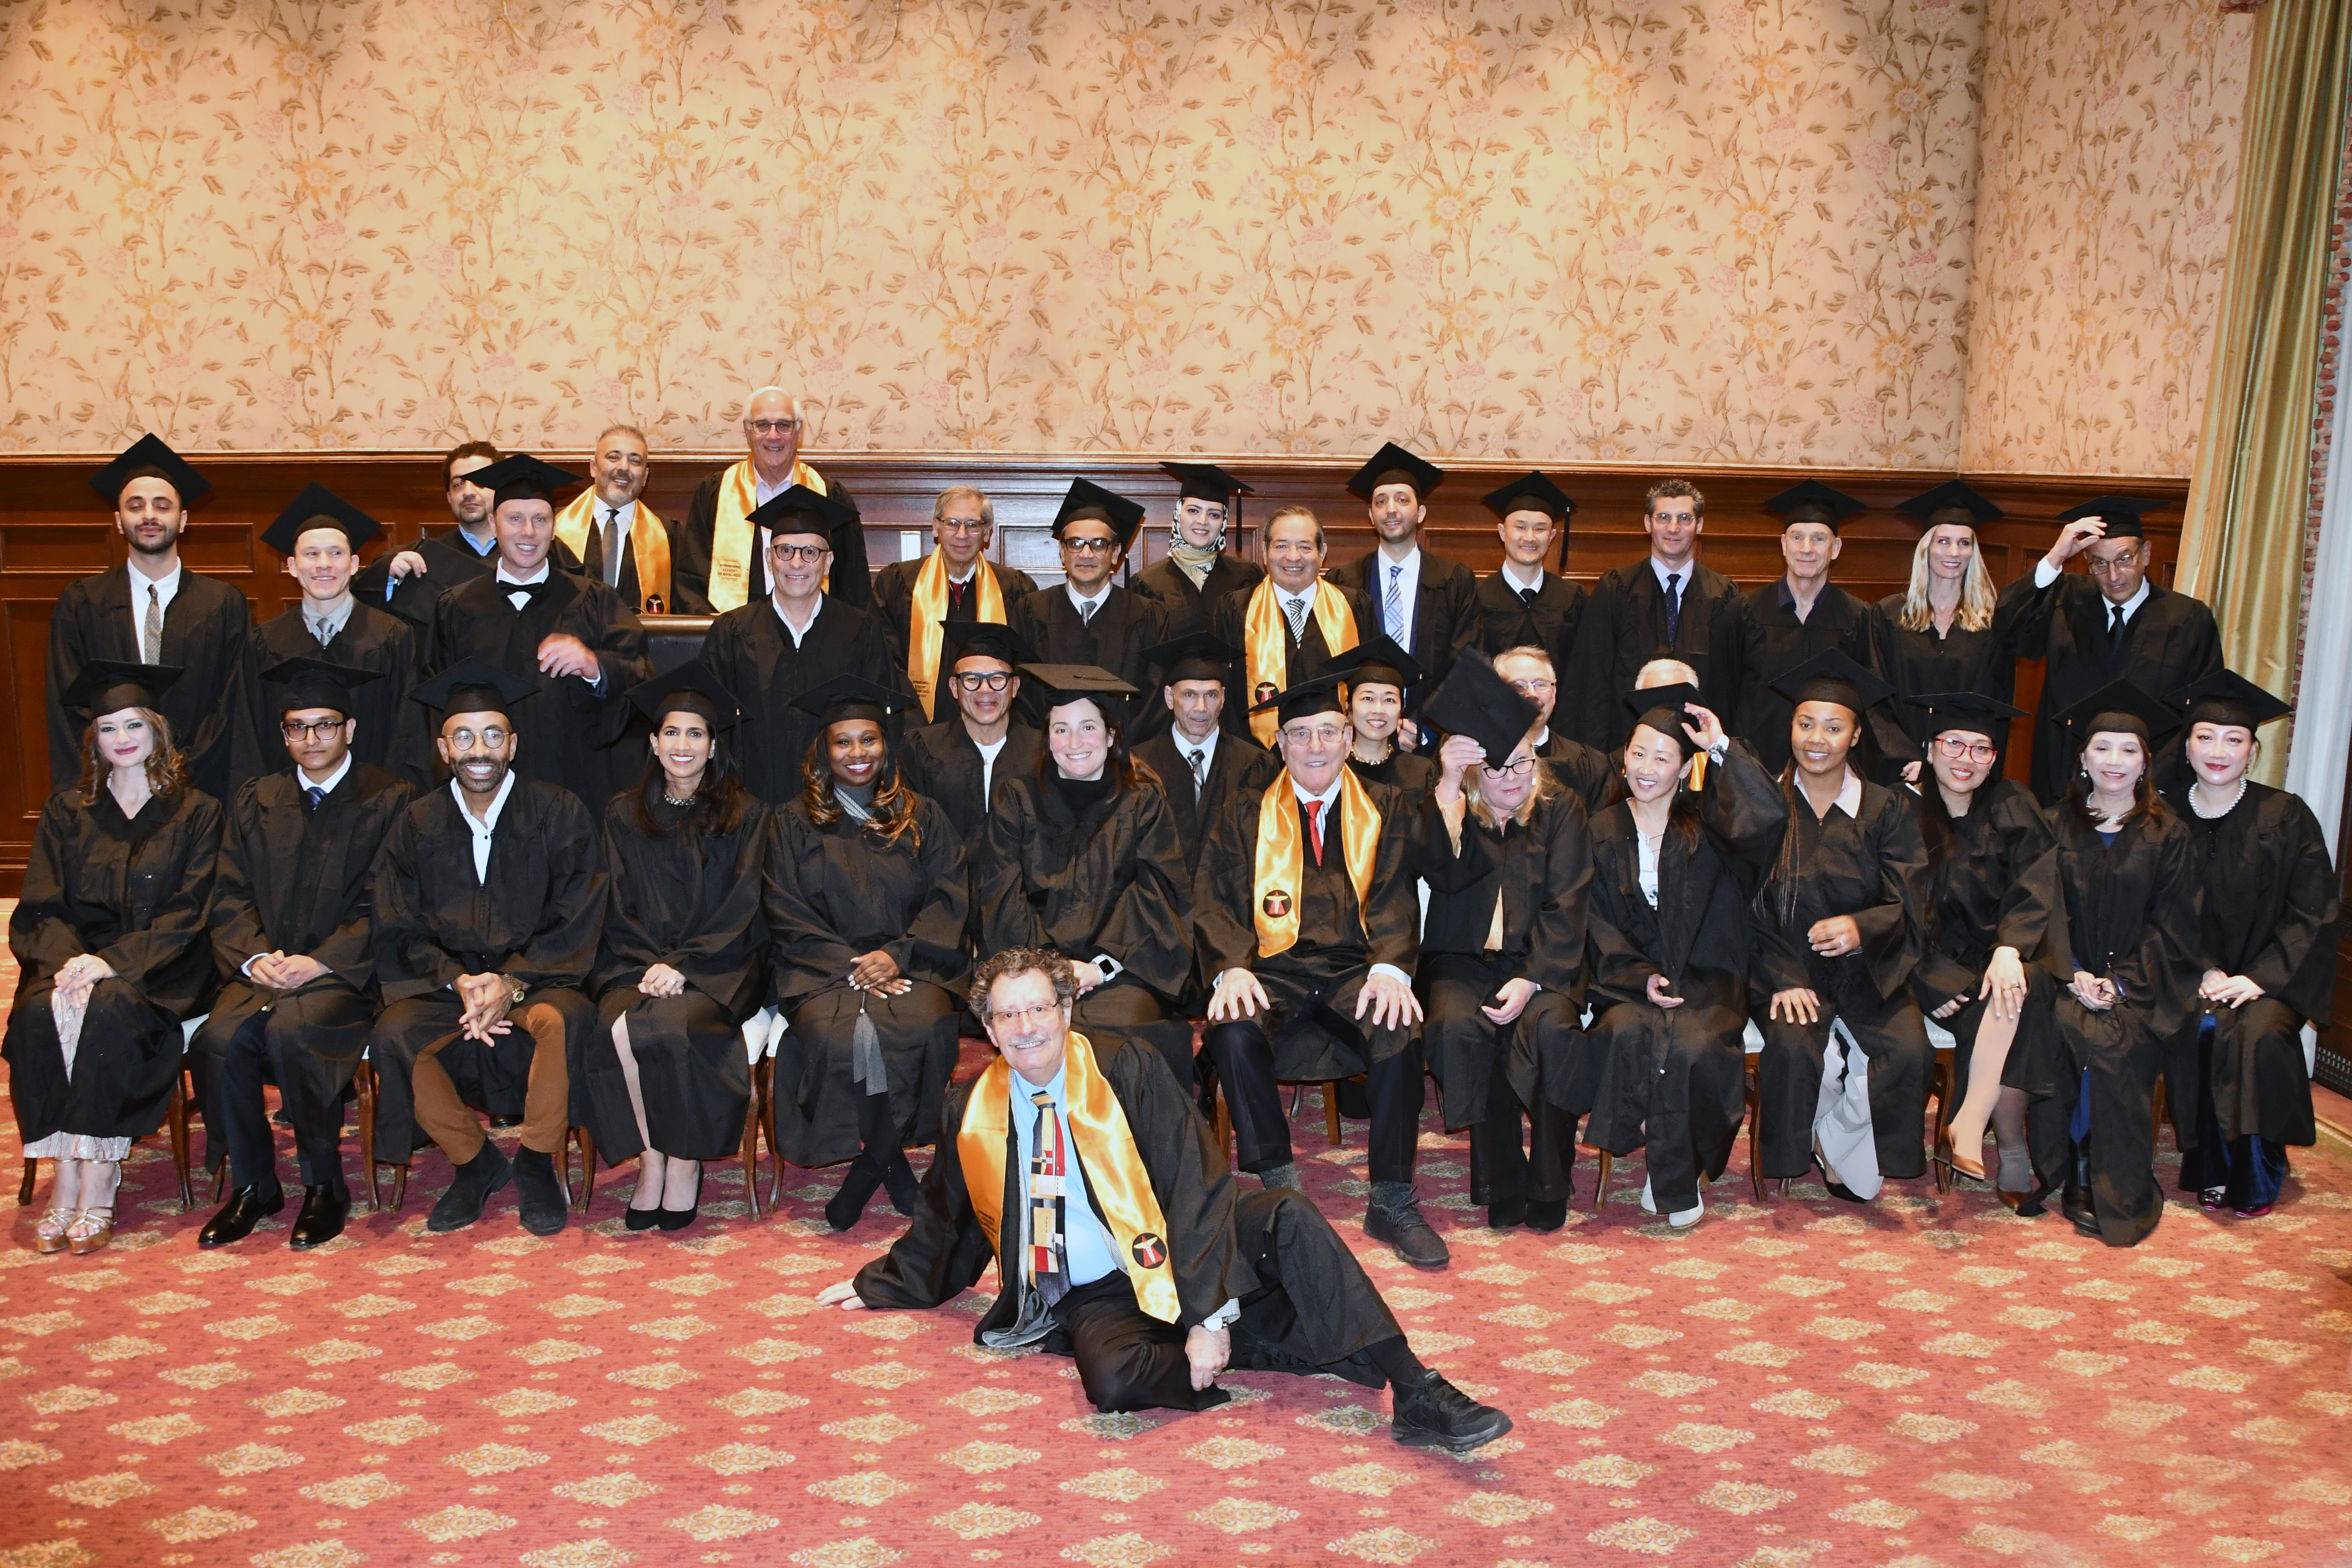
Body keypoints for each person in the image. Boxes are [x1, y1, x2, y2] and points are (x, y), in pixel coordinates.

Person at [816, 948, 1513, 1451]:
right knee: (1113, 1384)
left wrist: (1206, 1313)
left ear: (1065, 1011)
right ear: (990, 1031)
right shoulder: (970, 1110)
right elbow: (946, 1216)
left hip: (1176, 1237)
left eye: (1038, 1008)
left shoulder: (1124, 1066)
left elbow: (1193, 1178)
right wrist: (882, 1282)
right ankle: (1306, 1338)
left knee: (1290, 1216)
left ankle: (1416, 1390)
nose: (1026, 1027)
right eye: (1008, 1015)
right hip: (1094, 1290)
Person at [1194, 672, 1436, 1266]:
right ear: (1280, 745)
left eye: (1328, 732)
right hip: (1270, 969)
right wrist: (1231, 968)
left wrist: (1390, 970)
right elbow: (1213, 899)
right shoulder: (1244, 812)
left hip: (1355, 970)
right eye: (1299, 734)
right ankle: (1279, 1185)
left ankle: (1391, 1198)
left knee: (1398, 1026)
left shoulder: (1385, 807)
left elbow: (1396, 896)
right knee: (1233, 1030)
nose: (1315, 747)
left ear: (1349, 738)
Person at [367, 660, 608, 1238]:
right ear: (444, 748)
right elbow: (397, 921)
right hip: (449, 984)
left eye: (493, 736)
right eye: (465, 737)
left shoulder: (558, 812)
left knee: (565, 1021)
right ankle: (474, 1162)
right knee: (394, 1033)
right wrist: (459, 981)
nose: (480, 750)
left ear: (513, 745)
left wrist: (512, 981)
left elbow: (578, 912)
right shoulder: (417, 823)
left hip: (537, 979)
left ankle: (536, 1162)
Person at [194, 659, 415, 1250]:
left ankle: (324, 1186)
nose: (311, 738)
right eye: (298, 727)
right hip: (266, 970)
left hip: (346, 975)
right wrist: (253, 958)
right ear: (284, 734)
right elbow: (230, 892)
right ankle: (255, 1186)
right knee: (219, 1040)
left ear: (350, 729)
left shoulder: (389, 799)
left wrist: (322, 961)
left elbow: (390, 901)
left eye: (324, 725)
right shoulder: (257, 799)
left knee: (294, 1033)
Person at [6, 663, 223, 1255]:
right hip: (72, 962)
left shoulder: (196, 812)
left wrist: (113, 963)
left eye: (134, 725)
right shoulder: (67, 811)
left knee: (108, 1011)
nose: (121, 738)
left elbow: (190, 912)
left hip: (161, 966)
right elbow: (42, 905)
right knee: (36, 1013)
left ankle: (98, 1178)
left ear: (158, 730)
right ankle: (65, 1174)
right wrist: (70, 963)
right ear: (94, 740)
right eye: (108, 728)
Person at [763, 676, 970, 1231]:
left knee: (924, 1024)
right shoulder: (791, 822)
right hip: (822, 970)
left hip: (914, 964)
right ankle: (893, 1167)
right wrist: (852, 966)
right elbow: (783, 906)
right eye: (843, 742)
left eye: (869, 740)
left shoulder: (922, 815)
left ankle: (868, 1171)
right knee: (840, 1037)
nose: (858, 753)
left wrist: (897, 955)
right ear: (824, 751)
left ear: (886, 746)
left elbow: (949, 896)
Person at [1580, 685, 1786, 1229]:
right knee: (1627, 1033)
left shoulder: (1711, 827)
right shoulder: (1600, 830)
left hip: (1706, 978)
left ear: (1685, 768)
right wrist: (1639, 976)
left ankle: (1672, 1168)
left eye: (1663, 758)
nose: (1647, 768)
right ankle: (1674, 1163)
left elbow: (1769, 817)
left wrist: (1721, 747)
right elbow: (1593, 921)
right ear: (1623, 757)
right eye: (1639, 753)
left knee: (1693, 1045)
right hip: (1629, 979)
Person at [582, 664, 772, 1232]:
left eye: (695, 734)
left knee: (670, 1028)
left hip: (720, 967)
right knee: (615, 1029)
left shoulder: (747, 815)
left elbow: (745, 905)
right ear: (653, 742)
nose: (682, 745)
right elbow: (615, 901)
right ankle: (652, 1158)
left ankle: (686, 1160)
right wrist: (652, 965)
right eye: (671, 733)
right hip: (639, 962)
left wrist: (685, 966)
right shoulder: (623, 813)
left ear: (713, 746)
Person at [1411, 655, 1592, 1231]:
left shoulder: (1560, 808)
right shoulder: (1456, 807)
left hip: (1543, 964)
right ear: (1474, 773)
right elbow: (1441, 874)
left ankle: (1550, 1181)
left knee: (1552, 1031)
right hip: (1462, 962)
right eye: (1496, 769)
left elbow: (1568, 901)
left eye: (1522, 765)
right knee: (1462, 1027)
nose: (1512, 779)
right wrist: (1446, 784)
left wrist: (1531, 978)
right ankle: (1502, 1179)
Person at [1748, 651, 1934, 1202]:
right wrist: (1781, 979)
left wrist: (1861, 928)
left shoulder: (1887, 809)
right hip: (1789, 971)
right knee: (1794, 1052)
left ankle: (1833, 1139)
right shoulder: (1764, 806)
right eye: (1805, 724)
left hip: (1870, 970)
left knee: (1910, 1053)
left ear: (1855, 736)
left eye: (1833, 727)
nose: (1816, 739)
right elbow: (1742, 907)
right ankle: (1805, 1148)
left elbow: (1910, 897)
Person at [2158, 670, 2338, 1218]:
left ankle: (2256, 1171)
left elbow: (2314, 910)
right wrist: (2203, 969)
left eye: (2234, 740)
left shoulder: (2286, 816)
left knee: (2257, 1035)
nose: (2219, 751)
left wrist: (2260, 978)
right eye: (2205, 737)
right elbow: (2155, 910)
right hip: (2192, 975)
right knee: (2204, 1026)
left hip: (2270, 980)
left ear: (2253, 752)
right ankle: (2210, 1166)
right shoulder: (2163, 818)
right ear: (2187, 746)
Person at [2029, 681, 2203, 1245]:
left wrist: (2121, 984)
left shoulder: (2169, 834)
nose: (2114, 760)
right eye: (2102, 747)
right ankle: (2074, 1163)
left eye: (2129, 750)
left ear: (2146, 763)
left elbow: (2175, 925)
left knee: (2113, 1040)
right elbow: (2040, 907)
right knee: (2065, 1027)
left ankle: (2104, 1172)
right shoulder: (2053, 825)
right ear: (2083, 757)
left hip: (2144, 984)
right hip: (2066, 976)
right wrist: (2073, 971)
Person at [980, 665, 1197, 1090]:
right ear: (1048, 738)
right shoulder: (1017, 800)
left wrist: (1100, 967)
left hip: (1121, 972)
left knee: (1118, 1032)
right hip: (1032, 973)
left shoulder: (1143, 802)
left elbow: (1157, 893)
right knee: (1034, 1028)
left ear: (1111, 735)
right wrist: (1049, 970)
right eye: (1061, 730)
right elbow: (1002, 895)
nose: (1074, 743)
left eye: (1088, 728)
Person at [1902, 692, 2063, 1204]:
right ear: (1930, 749)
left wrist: (2010, 949)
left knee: (2022, 988)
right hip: (1927, 969)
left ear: (1994, 759)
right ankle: (2009, 1147)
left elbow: (2036, 882)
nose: (1965, 759)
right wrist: (1930, 979)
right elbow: (1886, 908)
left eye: (1981, 749)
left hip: (2000, 961)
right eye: (1953, 744)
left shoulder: (2012, 804)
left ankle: (1977, 1124)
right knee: (2017, 1005)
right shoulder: (1899, 811)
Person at [428, 454, 653, 807]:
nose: (528, 532)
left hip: (575, 784)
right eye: (515, 519)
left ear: (553, 527)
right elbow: (433, 703)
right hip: (483, 788)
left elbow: (642, 678)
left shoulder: (594, 600)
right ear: (494, 523)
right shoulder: (457, 607)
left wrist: (596, 667)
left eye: (540, 520)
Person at [48, 434, 250, 801]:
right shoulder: (83, 602)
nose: (149, 516)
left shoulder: (222, 604)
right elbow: (68, 703)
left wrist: (182, 771)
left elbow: (231, 703)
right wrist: (108, 774)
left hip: (200, 791)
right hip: (110, 790)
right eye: (135, 506)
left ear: (183, 519)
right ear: (119, 520)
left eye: (162, 505)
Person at [2008, 496, 2222, 805]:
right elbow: (2013, 636)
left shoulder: (2188, 618)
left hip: (2151, 791)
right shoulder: (2064, 602)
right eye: (2100, 563)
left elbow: (2201, 710)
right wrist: (2055, 558)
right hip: (2066, 783)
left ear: (2146, 554)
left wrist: (2150, 781)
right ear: (2087, 562)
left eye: (2124, 559)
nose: (2114, 576)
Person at [697, 485, 895, 805]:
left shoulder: (860, 631)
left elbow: (881, 725)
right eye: (785, 550)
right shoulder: (732, 632)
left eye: (811, 552)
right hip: (749, 808)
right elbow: (710, 723)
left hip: (836, 810)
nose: (797, 563)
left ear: (828, 562)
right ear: (769, 559)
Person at [228, 483, 426, 792]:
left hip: (374, 801)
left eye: (336, 553)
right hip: (286, 804)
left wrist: (392, 801)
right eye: (311, 554)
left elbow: (408, 732)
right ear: (292, 566)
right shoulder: (264, 642)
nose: (324, 564)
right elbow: (247, 736)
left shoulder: (392, 637)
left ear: (354, 564)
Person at [1862, 480, 2033, 783]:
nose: (1954, 552)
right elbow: (1875, 699)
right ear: (1926, 548)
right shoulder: (1888, 616)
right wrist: (1907, 757)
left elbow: (1994, 706)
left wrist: (1956, 761)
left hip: (1964, 772)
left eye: (1964, 543)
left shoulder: (1990, 625)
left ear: (1974, 552)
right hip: (1901, 771)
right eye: (1943, 541)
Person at [1561, 479, 1743, 752]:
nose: (1673, 528)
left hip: (1698, 747)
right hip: (1626, 744)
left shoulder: (1724, 594)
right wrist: (1598, 757)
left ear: (1699, 525)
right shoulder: (1616, 588)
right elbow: (1593, 678)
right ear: (1648, 523)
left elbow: (1730, 686)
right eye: (1663, 518)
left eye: (1684, 518)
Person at [1325, 443, 1482, 741]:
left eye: (1402, 499)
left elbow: (1466, 662)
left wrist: (1424, 726)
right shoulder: (1344, 581)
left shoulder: (1455, 581)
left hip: (1433, 736)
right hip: (1361, 735)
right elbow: (1336, 662)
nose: (1391, 509)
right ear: (1371, 515)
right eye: (1381, 501)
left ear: (1421, 512)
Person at [673, 387, 871, 613]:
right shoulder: (714, 493)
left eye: (784, 425)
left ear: (799, 431)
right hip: (733, 630)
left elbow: (853, 586)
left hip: (816, 632)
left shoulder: (830, 496)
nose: (773, 436)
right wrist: (721, 630)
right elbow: (692, 581)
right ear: (748, 431)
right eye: (763, 425)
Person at [358, 441, 586, 630]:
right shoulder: (424, 557)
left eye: (479, 482)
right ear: (449, 498)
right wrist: (387, 576)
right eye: (458, 484)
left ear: (501, 489)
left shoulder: (547, 551)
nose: (468, 492)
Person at [1734, 480, 1873, 776]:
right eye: (1797, 537)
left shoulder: (1858, 617)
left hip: (1829, 767)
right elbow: (1725, 690)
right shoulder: (1746, 610)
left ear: (1836, 548)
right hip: (1754, 766)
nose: (1806, 549)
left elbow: (1866, 700)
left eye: (1819, 539)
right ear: (1784, 545)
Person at [871, 486, 1040, 724]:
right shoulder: (897, 584)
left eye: (973, 525)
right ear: (936, 527)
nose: (962, 534)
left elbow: (1026, 668)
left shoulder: (1016, 590)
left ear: (987, 532)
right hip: (916, 727)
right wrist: (912, 723)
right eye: (952, 523)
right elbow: (884, 660)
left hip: (995, 730)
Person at [1012, 480, 1171, 732]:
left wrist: (1123, 747)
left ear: (1116, 553)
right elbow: (1020, 694)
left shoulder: (1149, 615)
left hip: (1125, 750)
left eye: (1099, 544)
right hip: (1048, 750)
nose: (1086, 554)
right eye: (1075, 543)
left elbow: (1156, 700)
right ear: (1062, 552)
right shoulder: (1031, 611)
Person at [1211, 504, 1372, 744]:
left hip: (1337, 753)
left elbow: (1369, 684)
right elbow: (1226, 696)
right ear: (1265, 552)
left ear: (1322, 552)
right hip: (1256, 755)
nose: (1293, 557)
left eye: (1305, 547)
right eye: (1281, 546)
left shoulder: (1354, 607)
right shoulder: (1235, 610)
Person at [1131, 631, 1280, 873]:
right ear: (1170, 698)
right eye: (1189, 695)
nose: (1201, 708)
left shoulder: (1255, 764)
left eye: (1211, 695)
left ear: (1223, 699)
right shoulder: (1139, 764)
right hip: (1157, 894)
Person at [900, 622, 1046, 844]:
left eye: (997, 678)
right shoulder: (923, 749)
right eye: (972, 679)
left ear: (1015, 687)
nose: (985, 689)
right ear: (954, 687)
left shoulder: (1040, 751)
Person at [1128, 463, 1263, 640]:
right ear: (1178, 515)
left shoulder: (1248, 577)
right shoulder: (1146, 583)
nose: (1202, 521)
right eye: (1193, 511)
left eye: (1214, 515)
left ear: (1223, 523)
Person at [1475, 471, 1583, 681]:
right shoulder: (1476, 596)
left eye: (1540, 529)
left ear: (1552, 536)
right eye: (1521, 527)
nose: (1530, 537)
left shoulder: (1572, 598)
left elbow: (1582, 668)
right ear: (1502, 532)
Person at [554, 424, 674, 613]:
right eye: (613, 457)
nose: (624, 467)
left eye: (635, 461)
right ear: (593, 468)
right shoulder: (555, 526)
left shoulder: (669, 534)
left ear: (645, 477)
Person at [1493, 644, 1620, 817]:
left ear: (1553, 695)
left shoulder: (1589, 767)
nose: (1532, 694)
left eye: (1541, 685)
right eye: (1518, 686)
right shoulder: (1476, 763)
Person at [1337, 636, 1436, 797]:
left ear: (1401, 710)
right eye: (1368, 698)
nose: (1379, 710)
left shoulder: (1422, 773)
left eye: (1389, 700)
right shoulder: (1333, 770)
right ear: (1349, 707)